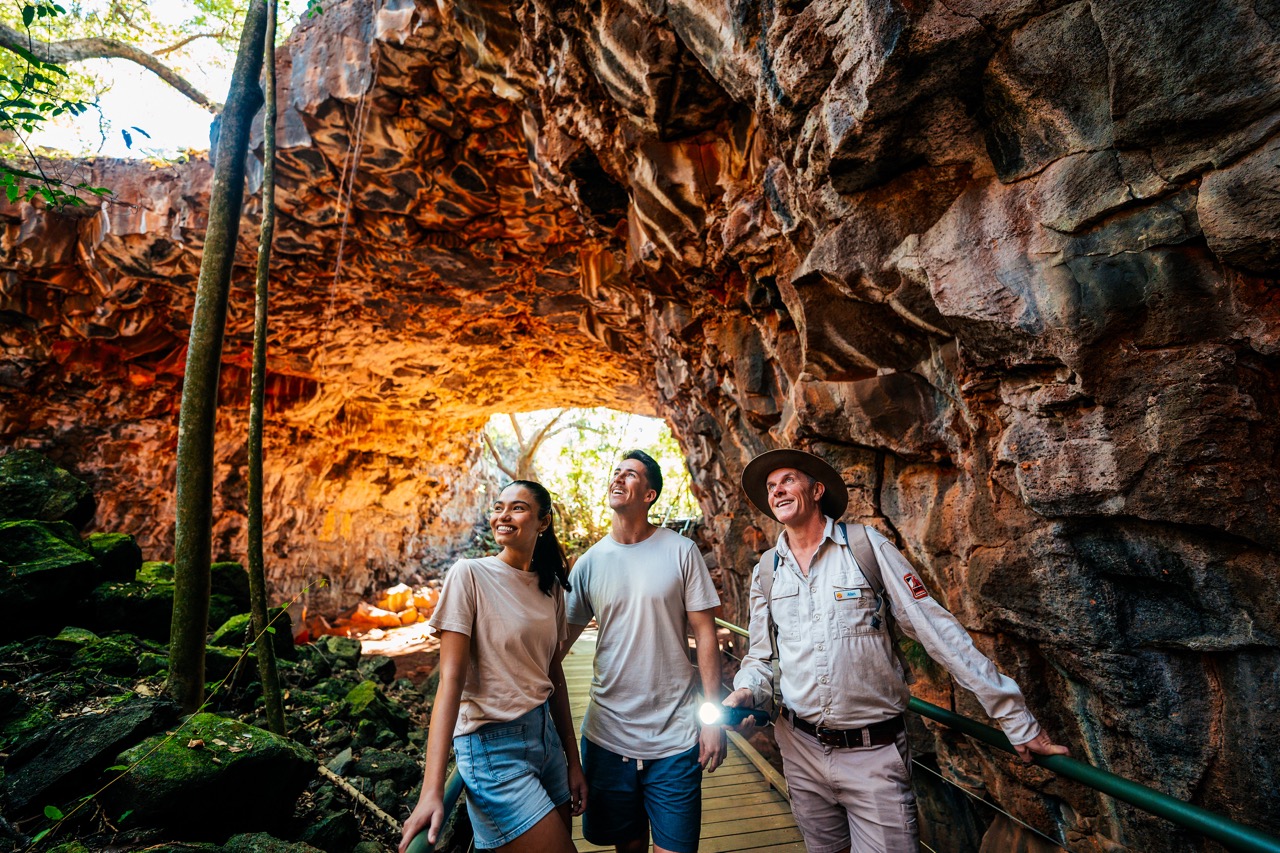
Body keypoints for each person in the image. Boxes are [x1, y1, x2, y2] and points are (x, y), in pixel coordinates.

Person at [723, 449, 1069, 853]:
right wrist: (747, 693)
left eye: (788, 481)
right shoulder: (767, 570)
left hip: (873, 755)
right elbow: (761, 659)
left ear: (817, 490)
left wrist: (1014, 717)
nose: (778, 490)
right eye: (770, 486)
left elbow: (937, 631)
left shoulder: (865, 548)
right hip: (800, 752)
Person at [400, 480, 587, 853]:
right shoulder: (469, 575)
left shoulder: (550, 586)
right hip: (492, 750)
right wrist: (431, 791)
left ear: (543, 522)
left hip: (545, 739)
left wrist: (573, 759)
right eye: (498, 507)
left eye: (517, 508)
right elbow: (450, 682)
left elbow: (552, 674)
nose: (503, 515)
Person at [561, 449, 725, 853]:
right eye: (615, 472)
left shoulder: (681, 552)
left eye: (630, 474)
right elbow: (554, 646)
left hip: (675, 737)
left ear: (649, 494)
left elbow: (706, 635)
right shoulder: (589, 563)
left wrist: (713, 720)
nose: (618, 479)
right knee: (628, 847)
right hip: (607, 736)